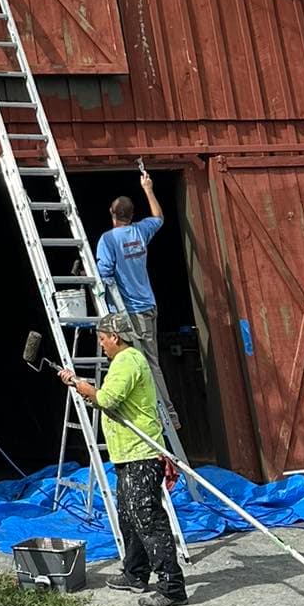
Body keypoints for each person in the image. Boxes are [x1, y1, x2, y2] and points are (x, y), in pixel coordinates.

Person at [60, 315, 186, 606]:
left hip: (141, 453)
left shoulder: (128, 360)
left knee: (149, 519)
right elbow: (109, 398)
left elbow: (108, 398)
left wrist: (81, 385)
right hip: (126, 453)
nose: (101, 345)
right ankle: (135, 573)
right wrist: (85, 387)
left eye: (102, 339)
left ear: (115, 337)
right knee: (129, 517)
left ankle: (172, 587)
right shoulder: (124, 362)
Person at [94, 167, 179, 425]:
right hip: (148, 305)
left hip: (129, 311)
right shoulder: (141, 231)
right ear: (131, 215)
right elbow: (159, 217)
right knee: (149, 361)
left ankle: (165, 414)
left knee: (134, 361)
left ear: (112, 214)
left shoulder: (108, 240)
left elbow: (104, 273)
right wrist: (148, 190)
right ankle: (162, 413)